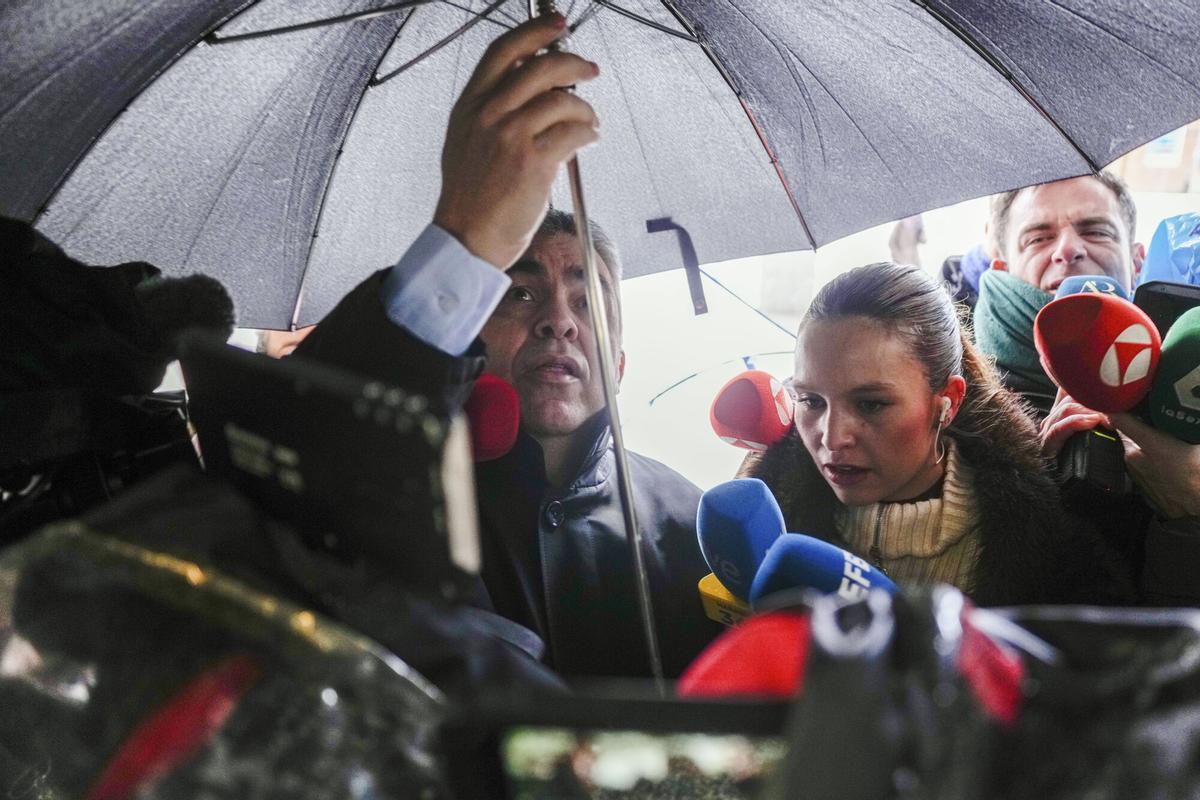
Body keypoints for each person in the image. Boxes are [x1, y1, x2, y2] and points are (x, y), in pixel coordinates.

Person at [298, 14, 718, 678]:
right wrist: (466, 235)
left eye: (587, 297)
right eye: (519, 293)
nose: (560, 320)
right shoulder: (397, 495)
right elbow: (302, 447)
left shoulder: (699, 526)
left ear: (621, 362)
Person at [738, 261, 1130, 606]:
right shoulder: (762, 516)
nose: (832, 438)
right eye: (811, 401)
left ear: (948, 401)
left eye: (871, 404)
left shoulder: (1049, 543)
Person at [973, 173, 1200, 605]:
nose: (1069, 249)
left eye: (1095, 231)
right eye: (1039, 238)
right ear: (1001, 267)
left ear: (1136, 261)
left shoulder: (1187, 376)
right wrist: (1031, 484)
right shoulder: (957, 405)